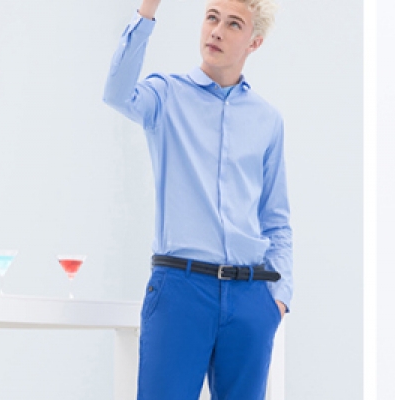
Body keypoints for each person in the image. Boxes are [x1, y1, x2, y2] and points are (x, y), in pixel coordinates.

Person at [103, 0, 291, 398]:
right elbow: (117, 93)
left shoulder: (268, 120)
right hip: (180, 291)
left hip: (249, 298)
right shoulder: (166, 95)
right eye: (212, 18)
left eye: (233, 24)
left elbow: (275, 217)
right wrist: (148, 10)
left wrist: (277, 299)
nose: (217, 31)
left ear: (254, 42)